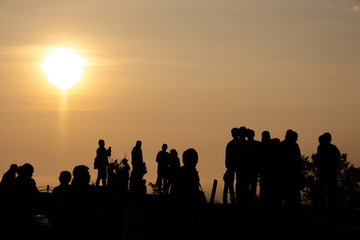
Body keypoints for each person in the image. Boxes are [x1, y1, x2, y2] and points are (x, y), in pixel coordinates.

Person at [171, 148, 206, 240]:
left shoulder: (188, 174)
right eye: (195, 160)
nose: (196, 163)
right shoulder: (181, 175)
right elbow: (177, 197)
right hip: (184, 217)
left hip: (190, 216)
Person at [315, 132, 341, 209]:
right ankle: (325, 207)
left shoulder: (327, 148)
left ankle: (329, 207)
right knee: (325, 190)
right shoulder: (323, 147)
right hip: (326, 172)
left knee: (330, 191)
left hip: (329, 172)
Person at [279, 130, 303, 208]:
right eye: (295, 137)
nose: (296, 139)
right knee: (288, 191)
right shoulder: (284, 145)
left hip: (291, 172)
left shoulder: (285, 145)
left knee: (292, 191)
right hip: (287, 172)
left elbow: (298, 159)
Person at [223, 127, 238, 205]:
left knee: (231, 184)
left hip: (234, 166)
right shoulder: (231, 144)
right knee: (230, 184)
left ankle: (234, 200)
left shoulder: (232, 144)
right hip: (231, 167)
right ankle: (233, 200)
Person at [246, 128, 261, 204]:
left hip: (254, 168)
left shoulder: (257, 144)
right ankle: (249, 200)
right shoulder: (244, 144)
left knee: (253, 185)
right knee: (248, 185)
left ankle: (251, 200)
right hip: (248, 168)